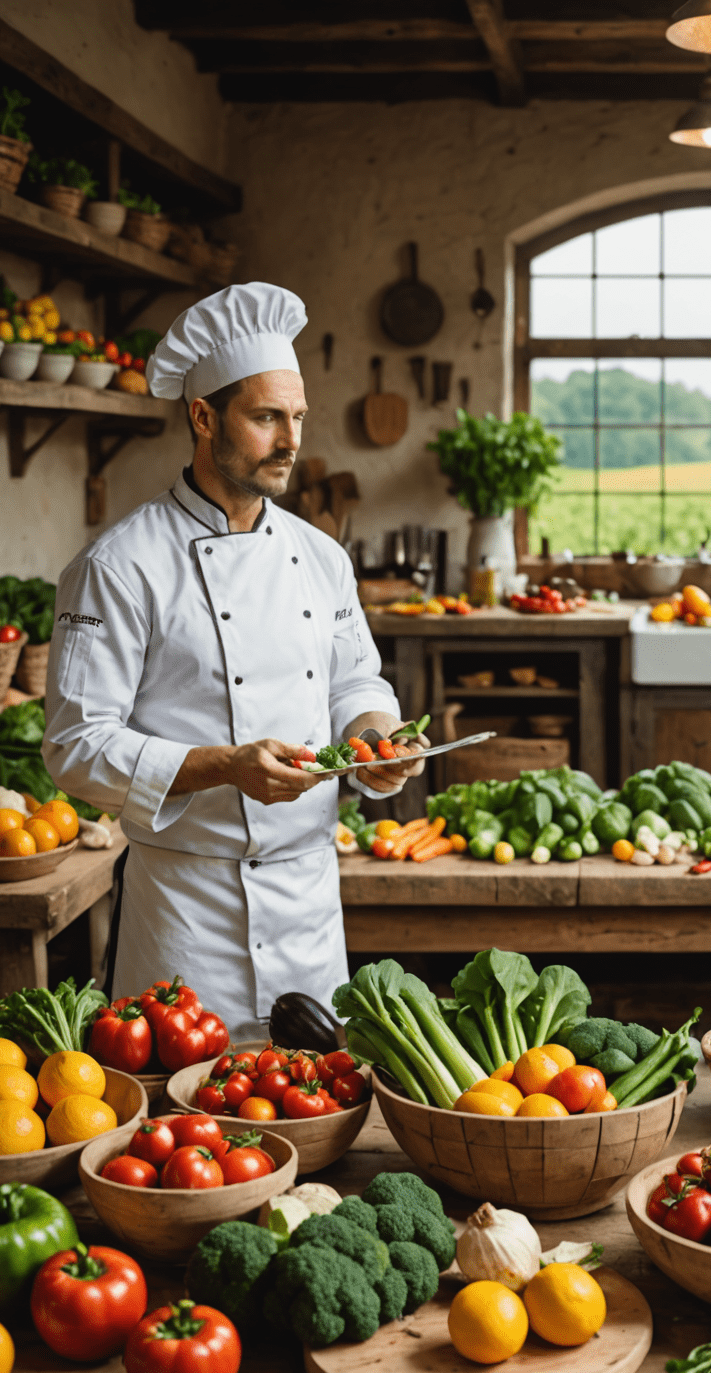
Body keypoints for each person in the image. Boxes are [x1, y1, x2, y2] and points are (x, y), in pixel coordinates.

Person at [43, 282, 425, 1029]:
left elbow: (355, 679)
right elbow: (76, 747)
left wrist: (376, 736)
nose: (290, 441)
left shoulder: (319, 556)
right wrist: (226, 765)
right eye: (266, 418)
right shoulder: (120, 564)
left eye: (297, 418)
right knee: (186, 1134)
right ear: (203, 416)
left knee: (317, 1114)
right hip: (189, 917)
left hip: (309, 906)